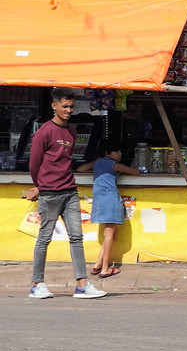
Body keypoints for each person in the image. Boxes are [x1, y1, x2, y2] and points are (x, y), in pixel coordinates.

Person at [26, 94, 104, 300]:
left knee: (76, 238)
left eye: (71, 107)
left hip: (70, 191)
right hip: (49, 193)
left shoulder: (71, 131)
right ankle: (37, 284)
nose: (69, 110)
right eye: (65, 106)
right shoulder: (44, 132)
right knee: (44, 238)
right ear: (54, 106)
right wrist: (38, 186)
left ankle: (82, 285)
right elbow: (34, 163)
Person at [90, 144, 142, 279]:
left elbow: (80, 168)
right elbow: (136, 172)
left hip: (98, 200)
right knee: (109, 233)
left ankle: (98, 264)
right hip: (110, 199)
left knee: (111, 233)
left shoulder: (97, 163)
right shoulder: (115, 165)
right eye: (117, 151)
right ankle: (105, 269)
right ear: (107, 152)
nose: (120, 154)